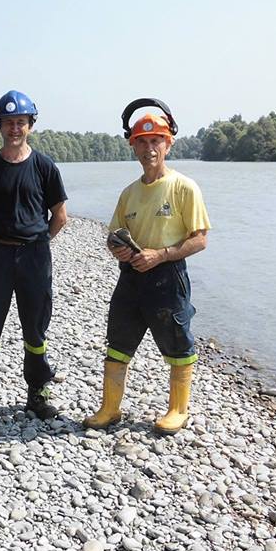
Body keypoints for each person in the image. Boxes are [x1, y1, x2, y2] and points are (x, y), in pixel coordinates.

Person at [84, 99, 211, 434]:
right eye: (142, 142)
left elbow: (199, 239)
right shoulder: (129, 193)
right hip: (130, 279)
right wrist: (119, 251)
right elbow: (113, 236)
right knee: (118, 343)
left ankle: (178, 410)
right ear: (133, 147)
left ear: (168, 144)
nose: (149, 148)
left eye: (156, 141)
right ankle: (109, 408)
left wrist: (161, 254)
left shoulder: (184, 187)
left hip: (167, 278)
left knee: (177, 343)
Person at [0, 90, 68, 424]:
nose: (14, 128)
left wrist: (36, 242)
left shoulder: (45, 167)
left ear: (30, 126)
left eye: (20, 122)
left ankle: (38, 392)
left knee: (35, 331)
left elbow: (60, 217)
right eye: (8, 123)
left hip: (35, 257)